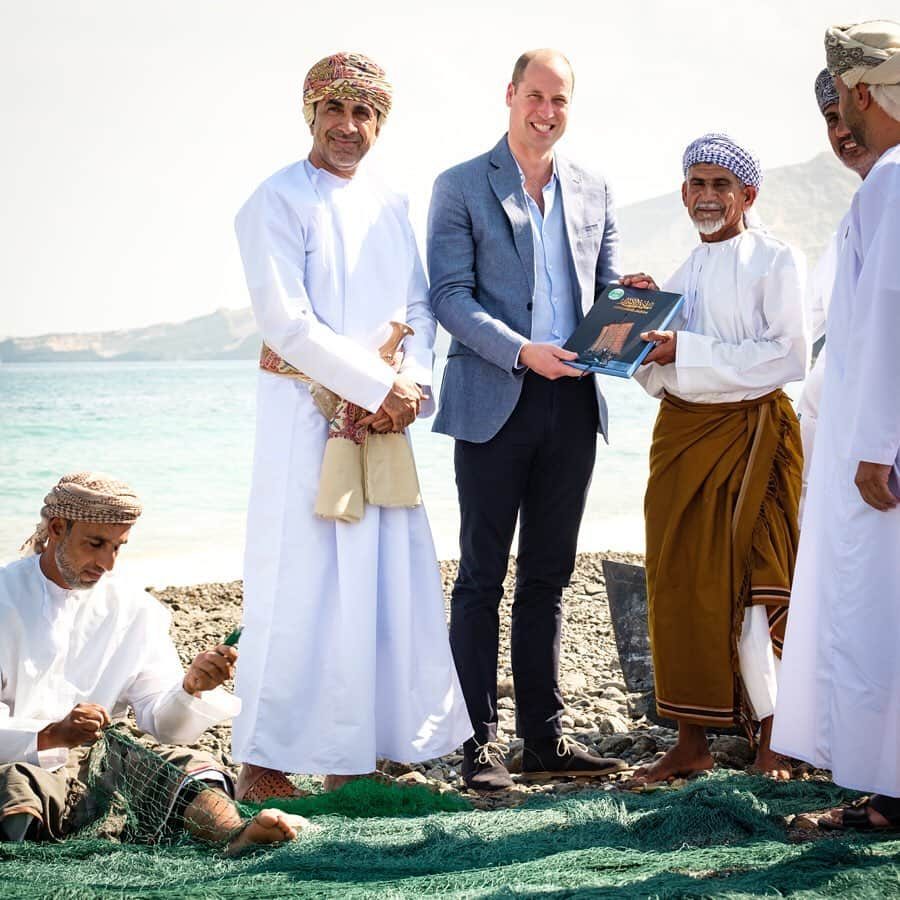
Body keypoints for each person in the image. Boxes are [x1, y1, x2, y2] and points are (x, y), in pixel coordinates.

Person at [232, 51, 471, 801]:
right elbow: (286, 323)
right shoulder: (273, 201)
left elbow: (421, 308)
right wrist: (374, 384)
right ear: (311, 114)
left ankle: (355, 759)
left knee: (382, 584)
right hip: (304, 425)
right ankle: (265, 766)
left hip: (385, 422)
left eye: (364, 113)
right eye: (334, 110)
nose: (348, 126)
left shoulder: (392, 204)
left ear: (380, 123)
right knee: (298, 584)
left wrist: (412, 387)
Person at [427, 48, 626, 791]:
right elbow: (449, 295)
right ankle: (478, 747)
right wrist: (522, 352)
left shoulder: (596, 188)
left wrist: (628, 312)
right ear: (510, 95)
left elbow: (605, 291)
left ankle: (543, 741)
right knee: (480, 578)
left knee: (548, 575)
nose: (547, 111)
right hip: (492, 400)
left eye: (561, 100)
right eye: (536, 96)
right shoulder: (458, 187)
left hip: (573, 403)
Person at [623, 133, 806, 782]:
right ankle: (690, 743)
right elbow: (654, 361)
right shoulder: (685, 271)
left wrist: (685, 353)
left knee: (755, 589)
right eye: (696, 184)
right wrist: (638, 322)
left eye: (720, 185)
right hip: (682, 443)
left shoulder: (774, 260)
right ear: (682, 194)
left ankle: (776, 743)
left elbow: (789, 357)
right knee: (677, 585)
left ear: (747, 196)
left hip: (752, 440)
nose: (706, 196)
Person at [0, 473, 302, 852]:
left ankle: (235, 836)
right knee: (16, 786)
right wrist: (52, 734)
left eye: (118, 548)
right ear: (58, 528)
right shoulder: (3, 596)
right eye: (96, 544)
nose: (107, 563)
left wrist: (190, 689)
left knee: (182, 765)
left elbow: (163, 725)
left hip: (107, 767)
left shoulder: (135, 609)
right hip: (20, 765)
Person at [773, 20, 900, 830]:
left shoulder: (890, 179)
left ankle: (887, 792)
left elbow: (887, 321)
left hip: (876, 455)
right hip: (871, 438)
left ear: (857, 92)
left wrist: (872, 448)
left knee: (872, 614)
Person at [797, 69, 877, 517]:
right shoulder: (847, 225)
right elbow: (801, 321)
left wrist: (877, 444)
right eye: (831, 118)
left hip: (873, 455)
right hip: (828, 448)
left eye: (849, 113)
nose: (842, 130)